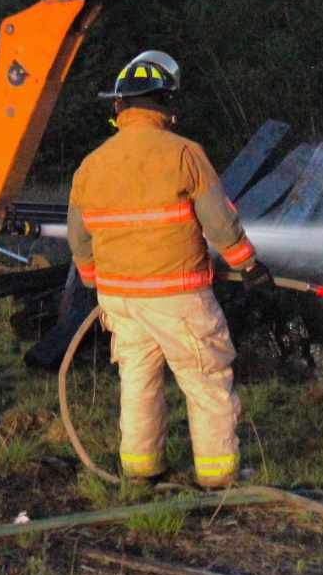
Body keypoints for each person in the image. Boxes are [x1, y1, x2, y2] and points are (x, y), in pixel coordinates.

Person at [65, 50, 272, 489]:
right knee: (205, 378)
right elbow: (219, 222)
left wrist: (92, 282)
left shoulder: (91, 165)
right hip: (177, 295)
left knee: (138, 380)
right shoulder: (184, 154)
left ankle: (141, 468)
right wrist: (248, 265)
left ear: (120, 107)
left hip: (120, 300)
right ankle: (218, 475)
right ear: (166, 106)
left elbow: (79, 238)